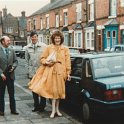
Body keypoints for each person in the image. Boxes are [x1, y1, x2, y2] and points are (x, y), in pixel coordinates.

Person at [28, 30, 71, 118]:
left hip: (61, 72)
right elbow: (42, 58)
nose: (57, 40)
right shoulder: (49, 47)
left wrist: (68, 73)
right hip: (51, 72)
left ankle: (57, 110)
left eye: (59, 38)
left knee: (59, 92)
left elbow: (68, 62)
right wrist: (47, 62)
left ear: (61, 39)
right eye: (56, 38)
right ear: (53, 39)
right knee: (53, 92)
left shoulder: (65, 49)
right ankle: (53, 111)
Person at [25, 31, 47, 112]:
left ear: (37, 37)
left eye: (35, 36)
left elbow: (46, 58)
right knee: (34, 90)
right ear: (30, 38)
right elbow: (26, 61)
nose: (34, 38)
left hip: (42, 72)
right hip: (32, 72)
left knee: (42, 89)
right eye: (32, 37)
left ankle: (42, 106)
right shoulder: (27, 47)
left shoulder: (44, 46)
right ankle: (36, 106)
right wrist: (27, 71)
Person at [0, 36, 19, 116]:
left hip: (10, 76)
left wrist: (14, 67)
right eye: (7, 40)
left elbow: (16, 61)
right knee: (1, 95)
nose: (9, 41)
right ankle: (1, 111)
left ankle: (13, 110)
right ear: (2, 42)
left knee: (12, 94)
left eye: (9, 40)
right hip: (1, 77)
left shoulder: (12, 50)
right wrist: (0, 73)